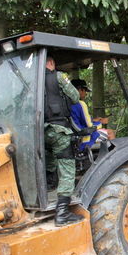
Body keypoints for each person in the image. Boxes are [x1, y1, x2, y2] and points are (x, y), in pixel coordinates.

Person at [44, 57, 83, 226]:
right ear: (51, 63)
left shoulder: (29, 80)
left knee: (49, 156)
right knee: (67, 167)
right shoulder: (58, 76)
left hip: (40, 131)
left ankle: (49, 185)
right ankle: (62, 213)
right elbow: (75, 96)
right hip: (59, 129)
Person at [70, 79, 114, 151]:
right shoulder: (81, 104)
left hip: (75, 135)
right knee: (110, 132)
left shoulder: (68, 103)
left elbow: (79, 119)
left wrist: (94, 120)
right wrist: (101, 123)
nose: (86, 93)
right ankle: (112, 158)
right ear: (80, 90)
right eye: (85, 91)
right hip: (84, 138)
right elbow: (89, 126)